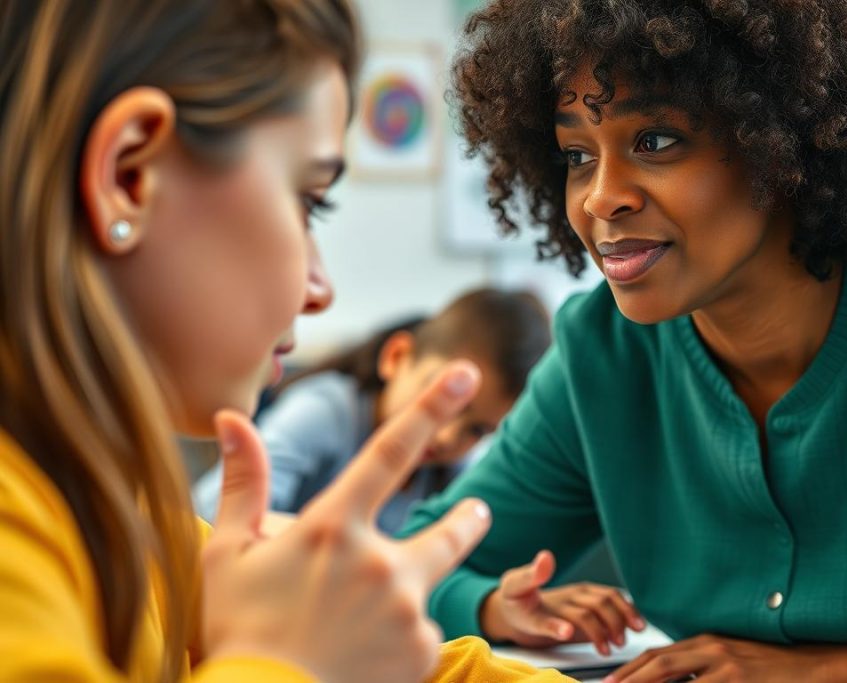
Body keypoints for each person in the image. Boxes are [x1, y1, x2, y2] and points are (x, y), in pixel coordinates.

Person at [402, 1, 847, 682]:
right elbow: (411, 559)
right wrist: (491, 605)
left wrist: (841, 671)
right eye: (577, 154)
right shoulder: (602, 354)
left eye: (656, 141)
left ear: (786, 135)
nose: (600, 199)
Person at [0, 1, 571, 681]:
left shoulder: (114, 501)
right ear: (129, 175)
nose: (320, 286)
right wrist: (288, 660)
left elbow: (387, 659)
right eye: (308, 201)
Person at [193, 287, 552, 534]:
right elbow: (213, 514)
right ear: (396, 358)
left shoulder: (455, 475)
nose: (446, 436)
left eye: (477, 431)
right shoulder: (324, 413)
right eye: (447, 397)